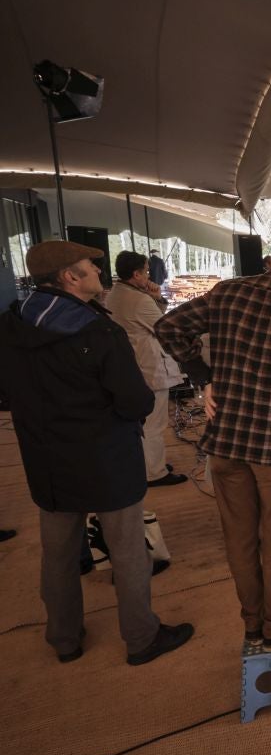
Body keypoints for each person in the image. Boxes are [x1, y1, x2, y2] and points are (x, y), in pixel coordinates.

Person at [0, 240, 193, 665]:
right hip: (106, 458)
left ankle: (64, 639)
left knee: (59, 555)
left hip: (46, 459)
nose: (96, 270)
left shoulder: (11, 325)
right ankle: (142, 638)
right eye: (89, 264)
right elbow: (136, 403)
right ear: (70, 276)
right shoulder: (97, 331)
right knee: (127, 553)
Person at [156, 221, 271, 653]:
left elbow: (167, 328)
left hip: (225, 442)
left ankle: (253, 625)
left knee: (240, 539)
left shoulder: (227, 292)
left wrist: (205, 378)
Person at [106, 251, 188, 488]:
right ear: (136, 274)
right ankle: (154, 472)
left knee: (141, 422)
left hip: (133, 365)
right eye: (147, 271)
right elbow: (166, 327)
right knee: (154, 423)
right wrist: (156, 297)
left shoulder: (115, 294)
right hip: (150, 367)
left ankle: (146, 464)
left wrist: (153, 297)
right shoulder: (139, 300)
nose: (150, 275)